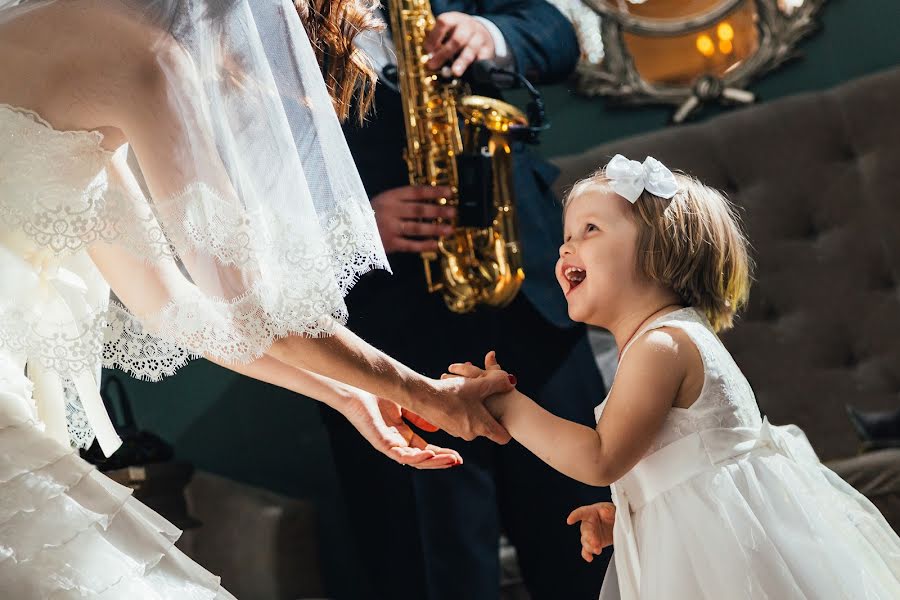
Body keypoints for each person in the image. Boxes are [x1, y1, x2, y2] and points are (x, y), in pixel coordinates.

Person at [0, 0, 514, 596]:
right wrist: (424, 392)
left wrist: (350, 394)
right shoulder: (149, 60)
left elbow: (170, 305)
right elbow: (257, 311)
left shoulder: (52, 21)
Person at [449, 154, 900, 598]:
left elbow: (600, 457)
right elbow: (683, 471)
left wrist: (507, 405)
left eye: (590, 229)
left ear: (657, 251)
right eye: (566, 235)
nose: (566, 247)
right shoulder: (669, 338)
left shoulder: (661, 346)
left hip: (727, 561)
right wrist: (632, 515)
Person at [319, 2, 611, 598]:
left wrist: (491, 34)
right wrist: (349, 225)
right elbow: (227, 175)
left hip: (529, 301)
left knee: (594, 550)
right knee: (435, 571)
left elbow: (560, 29)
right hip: (388, 334)